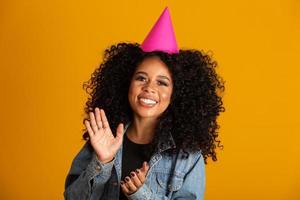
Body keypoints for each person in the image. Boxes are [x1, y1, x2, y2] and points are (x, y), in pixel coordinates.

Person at [64, 7, 225, 200]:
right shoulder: (102, 139)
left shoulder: (187, 156)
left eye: (162, 82)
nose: (149, 88)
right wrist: (102, 161)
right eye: (141, 78)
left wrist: (140, 194)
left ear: (177, 94)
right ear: (127, 84)